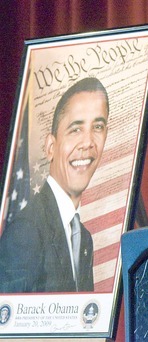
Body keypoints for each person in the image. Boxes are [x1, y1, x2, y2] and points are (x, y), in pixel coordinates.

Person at [0, 77, 109, 293]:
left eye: (97, 127)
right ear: (51, 147)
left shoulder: (84, 239)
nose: (88, 142)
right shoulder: (27, 230)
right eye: (75, 129)